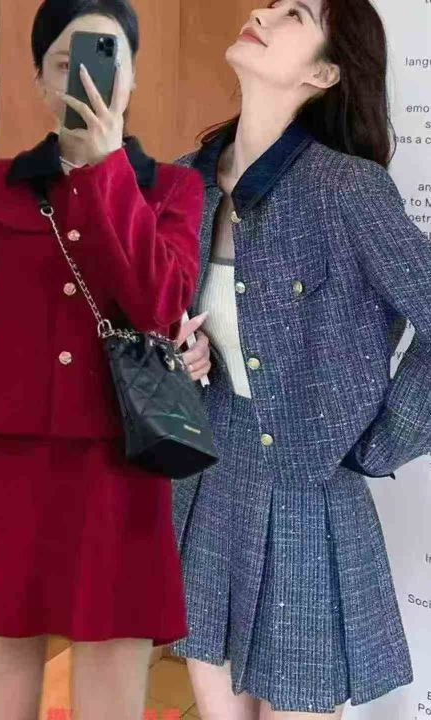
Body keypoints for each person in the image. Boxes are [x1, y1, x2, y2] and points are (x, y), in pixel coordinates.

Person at [0, 1, 211, 718]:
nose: (86, 80)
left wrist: (106, 170)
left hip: (121, 477)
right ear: (39, 80)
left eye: (106, 60)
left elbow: (159, 303)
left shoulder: (173, 189)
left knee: (110, 702)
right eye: (66, 63)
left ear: (131, 77)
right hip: (10, 475)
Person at [170, 0, 431, 718]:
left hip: (307, 503)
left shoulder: (347, 190)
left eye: (295, 14)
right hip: (205, 490)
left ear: (324, 72)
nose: (263, 12)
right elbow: (160, 322)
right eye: (270, 3)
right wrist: (178, 354)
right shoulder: (185, 182)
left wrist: (378, 444)